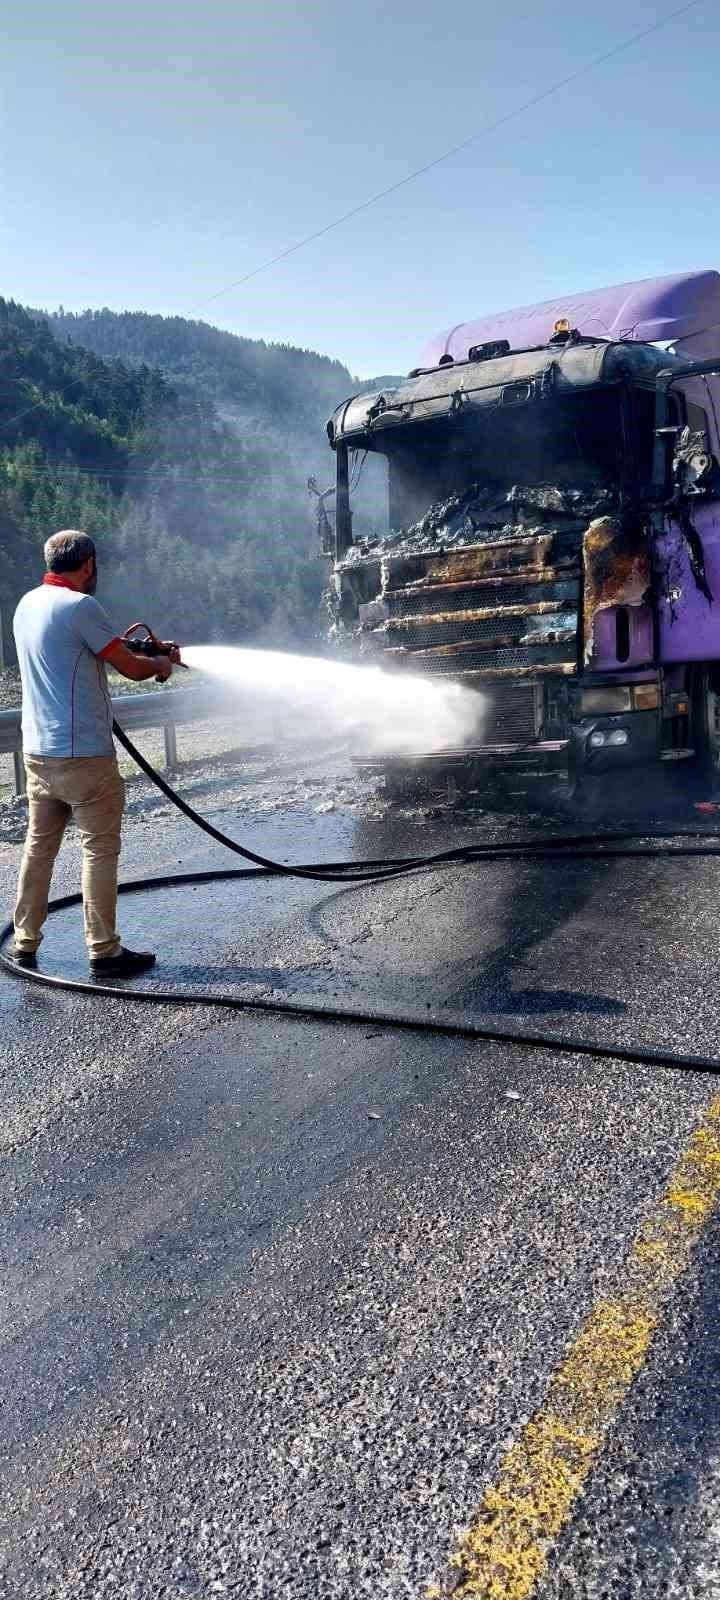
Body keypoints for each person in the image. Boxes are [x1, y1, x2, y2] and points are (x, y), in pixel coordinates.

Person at [8, 530, 176, 977]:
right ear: (88, 564)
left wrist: (140, 650)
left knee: (39, 848)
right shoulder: (81, 606)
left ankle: (24, 941)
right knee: (99, 848)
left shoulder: (27, 604)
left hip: (38, 752)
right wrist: (159, 665)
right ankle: (104, 950)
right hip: (83, 753)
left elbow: (81, 650)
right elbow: (130, 669)